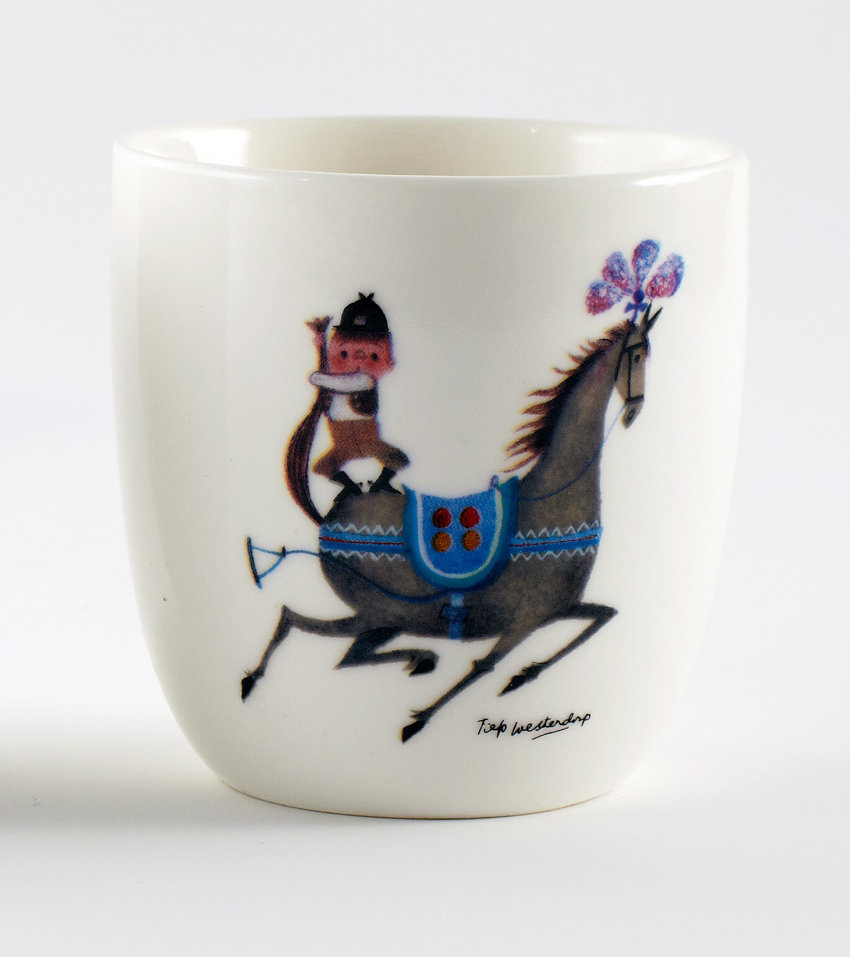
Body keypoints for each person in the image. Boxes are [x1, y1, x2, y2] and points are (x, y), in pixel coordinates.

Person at [309, 293, 409, 504]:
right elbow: (331, 384)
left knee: (396, 458)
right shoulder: (334, 380)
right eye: (344, 354)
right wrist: (319, 345)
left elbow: (340, 383)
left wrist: (316, 377)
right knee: (323, 467)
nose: (357, 360)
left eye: (373, 356)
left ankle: (382, 483)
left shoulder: (364, 380)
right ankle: (350, 487)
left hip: (367, 439)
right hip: (342, 442)